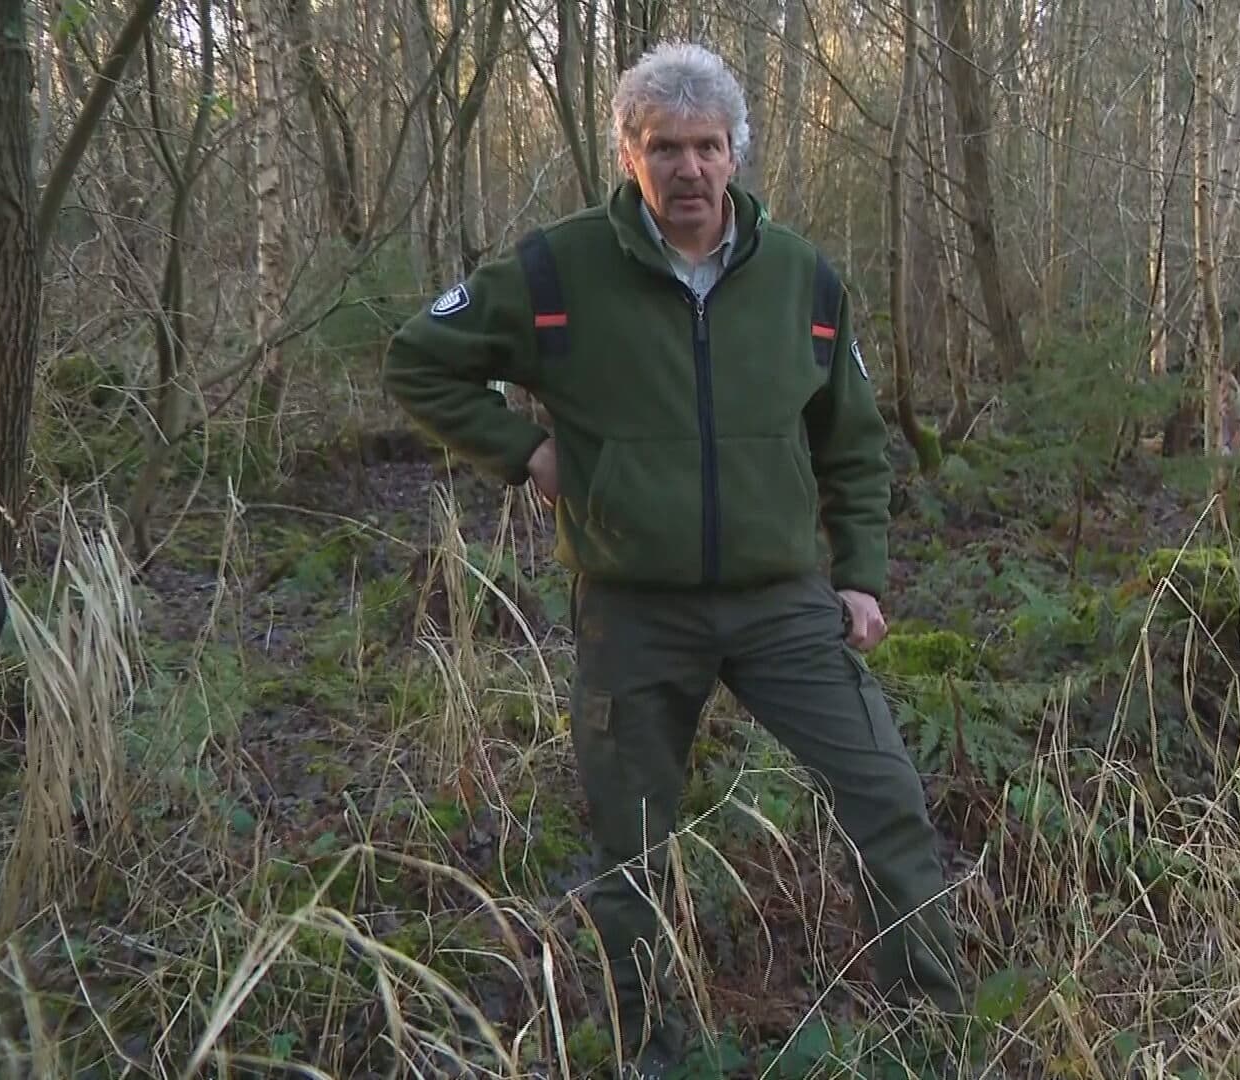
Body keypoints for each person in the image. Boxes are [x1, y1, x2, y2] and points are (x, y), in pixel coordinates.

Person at [381, 41, 966, 1078]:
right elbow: (419, 359)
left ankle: (936, 1031)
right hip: (633, 608)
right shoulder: (558, 272)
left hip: (784, 602)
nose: (687, 169)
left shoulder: (803, 281)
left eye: (706, 147)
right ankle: (658, 1051)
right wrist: (524, 452)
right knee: (632, 847)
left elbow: (853, 440)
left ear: (735, 154)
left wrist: (862, 573)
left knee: (886, 797)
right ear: (628, 153)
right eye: (664, 148)